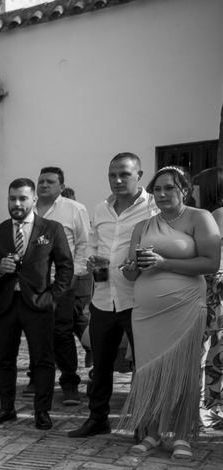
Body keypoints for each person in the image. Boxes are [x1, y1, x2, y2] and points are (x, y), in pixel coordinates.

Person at [119, 167, 221, 459]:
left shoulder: (200, 217)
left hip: (185, 305)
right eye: (157, 189)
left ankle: (181, 436)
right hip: (146, 312)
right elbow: (132, 273)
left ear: (184, 190)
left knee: (184, 370)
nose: (162, 194)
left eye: (169, 188)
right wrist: (129, 269)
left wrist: (164, 263)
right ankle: (152, 434)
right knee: (148, 371)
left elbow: (210, 263)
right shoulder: (143, 226)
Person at [69, 153, 159, 438]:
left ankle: (143, 423)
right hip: (103, 298)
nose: (117, 180)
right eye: (112, 175)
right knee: (101, 363)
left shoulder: (154, 208)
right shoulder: (101, 208)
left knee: (143, 366)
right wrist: (91, 261)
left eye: (124, 174)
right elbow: (93, 244)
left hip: (138, 298)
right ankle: (98, 419)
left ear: (139, 175)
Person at [0, 179, 73, 431]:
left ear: (34, 200)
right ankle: (6, 408)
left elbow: (66, 267)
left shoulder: (52, 228)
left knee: (43, 360)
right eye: (12, 198)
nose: (17, 203)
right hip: (6, 304)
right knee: (5, 360)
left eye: (22, 198)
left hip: (39, 303)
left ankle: (42, 411)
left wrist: (52, 297)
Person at [33, 167, 91, 406]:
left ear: (61, 186)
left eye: (50, 182)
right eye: (41, 181)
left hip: (62, 282)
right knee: (35, 332)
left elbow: (84, 244)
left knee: (62, 332)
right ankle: (36, 379)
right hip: (33, 283)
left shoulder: (74, 209)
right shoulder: (29, 207)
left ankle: (69, 383)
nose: (44, 185)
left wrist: (74, 274)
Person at [192, 167, 223, 428]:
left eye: (196, 186)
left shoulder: (217, 214)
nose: (193, 191)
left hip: (214, 293)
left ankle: (209, 411)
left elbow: (212, 258)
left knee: (210, 354)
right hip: (215, 291)